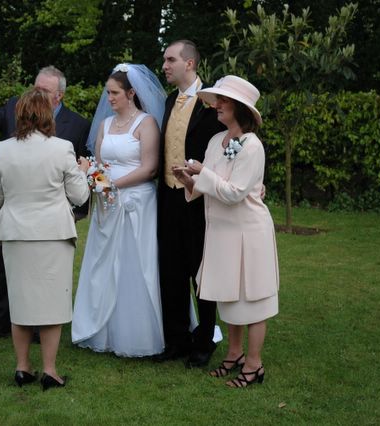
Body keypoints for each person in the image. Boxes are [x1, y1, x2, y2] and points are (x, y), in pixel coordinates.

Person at [172, 75, 279, 388]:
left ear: (239, 108)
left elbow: (234, 193)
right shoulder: (216, 140)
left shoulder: (252, 145)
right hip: (221, 231)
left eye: (223, 101)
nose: (216, 105)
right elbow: (207, 186)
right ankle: (234, 354)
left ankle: (254, 365)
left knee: (253, 299)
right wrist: (188, 180)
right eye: (217, 99)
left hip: (248, 232)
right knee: (228, 296)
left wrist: (202, 172)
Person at [0, 66, 91, 340]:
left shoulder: (77, 126)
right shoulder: (15, 108)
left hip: (50, 219)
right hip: (12, 212)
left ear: (59, 96)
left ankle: (35, 330)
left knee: (44, 279)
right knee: (3, 271)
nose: (37, 94)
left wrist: (77, 212)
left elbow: (76, 180)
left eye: (44, 90)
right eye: (35, 88)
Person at [0, 88, 90, 390]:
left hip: (16, 234)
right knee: (52, 304)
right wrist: (82, 171)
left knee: (20, 303)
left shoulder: (4, 149)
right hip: (53, 235)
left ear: (18, 115)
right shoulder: (62, 148)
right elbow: (79, 195)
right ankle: (50, 371)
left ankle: (22, 368)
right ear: (47, 115)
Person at [71, 63, 166, 357]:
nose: (109, 98)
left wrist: (113, 185)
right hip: (108, 204)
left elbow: (150, 168)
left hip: (137, 202)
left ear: (131, 93)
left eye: (114, 93)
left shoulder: (146, 124)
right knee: (103, 263)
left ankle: (139, 333)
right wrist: (98, 182)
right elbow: (99, 163)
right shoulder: (105, 125)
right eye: (108, 93)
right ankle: (101, 329)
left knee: (134, 264)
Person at [155, 40, 226, 366]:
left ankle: (204, 341)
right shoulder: (170, 100)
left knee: (201, 270)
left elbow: (226, 147)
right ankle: (177, 340)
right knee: (171, 270)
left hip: (199, 199)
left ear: (190, 63)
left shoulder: (212, 103)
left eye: (171, 60)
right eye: (165, 60)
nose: (165, 66)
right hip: (169, 197)